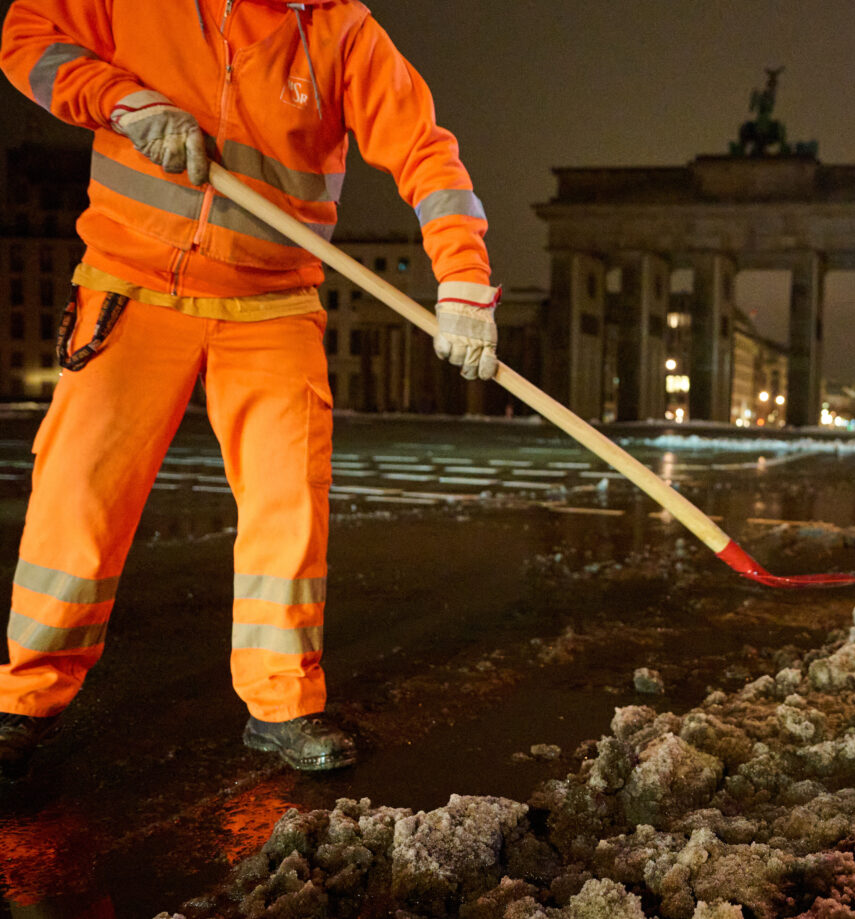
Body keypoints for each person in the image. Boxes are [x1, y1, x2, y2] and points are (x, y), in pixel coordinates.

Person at [0, 0, 499, 778]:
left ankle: (282, 703)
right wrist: (125, 102)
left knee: (287, 502)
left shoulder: (341, 31)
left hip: (272, 298)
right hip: (131, 282)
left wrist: (464, 282)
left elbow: (427, 155)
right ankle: (23, 701)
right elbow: (26, 37)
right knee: (77, 496)